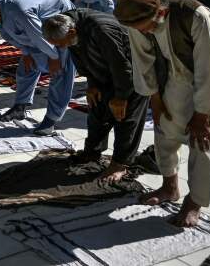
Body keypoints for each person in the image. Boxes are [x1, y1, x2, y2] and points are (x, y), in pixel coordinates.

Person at [114, 0, 210, 227]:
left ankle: (195, 202)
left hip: (202, 82)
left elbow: (209, 68)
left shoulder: (195, 15)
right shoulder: (137, 21)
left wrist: (202, 113)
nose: (144, 32)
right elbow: (142, 60)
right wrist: (155, 99)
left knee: (201, 141)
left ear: (160, 12)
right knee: (164, 133)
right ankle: (169, 186)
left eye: (146, 27)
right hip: (169, 81)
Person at [42, 10, 150, 183]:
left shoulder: (101, 29)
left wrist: (121, 97)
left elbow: (122, 65)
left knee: (125, 117)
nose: (59, 47)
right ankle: (92, 152)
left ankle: (120, 163)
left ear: (71, 32)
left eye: (60, 44)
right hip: (106, 72)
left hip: (134, 73)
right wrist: (92, 84)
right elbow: (77, 52)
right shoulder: (67, 23)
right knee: (97, 108)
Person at [0, 0, 76, 135]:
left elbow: (39, 37)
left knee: (60, 72)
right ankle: (20, 107)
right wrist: (26, 52)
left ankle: (51, 119)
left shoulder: (21, 11)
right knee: (27, 65)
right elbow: (9, 34)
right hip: (38, 24)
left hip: (60, 18)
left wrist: (55, 57)